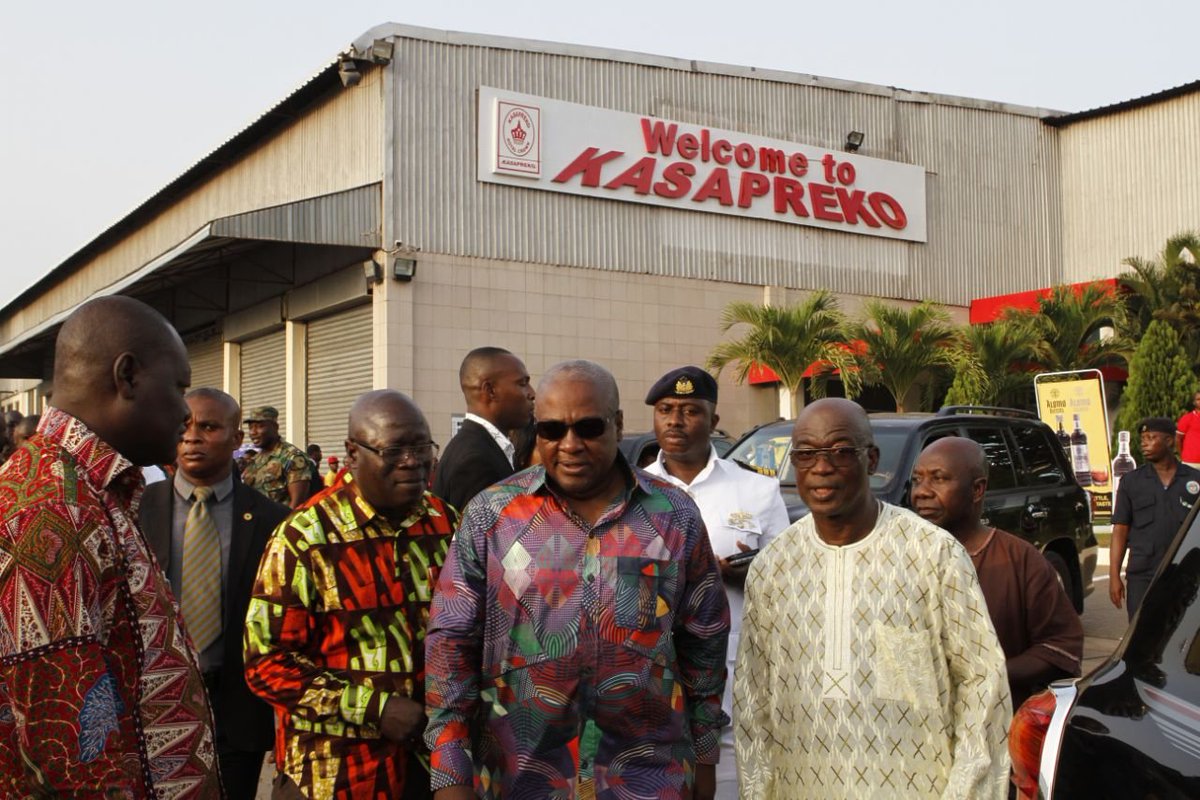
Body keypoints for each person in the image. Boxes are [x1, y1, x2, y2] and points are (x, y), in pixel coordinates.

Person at [425, 360, 730, 800]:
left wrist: (705, 758)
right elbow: (450, 643)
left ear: (618, 425)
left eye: (588, 427)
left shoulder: (674, 516)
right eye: (551, 430)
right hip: (520, 778)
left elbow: (705, 643)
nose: (569, 445)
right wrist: (450, 773)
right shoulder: (492, 517)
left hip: (647, 779)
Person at [734, 398, 1010, 799]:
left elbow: (982, 683)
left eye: (841, 451)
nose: (822, 468)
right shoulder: (773, 567)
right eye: (806, 454)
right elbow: (752, 701)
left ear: (871, 459)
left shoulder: (932, 554)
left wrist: (967, 792)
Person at [0, 296, 219, 796]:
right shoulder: (53, 510)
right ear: (128, 377)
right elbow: (66, 747)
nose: (186, 411)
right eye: (179, 386)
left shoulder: (91, 491)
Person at [245, 389, 456, 798]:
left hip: (431, 768)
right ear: (353, 452)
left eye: (421, 447)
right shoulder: (303, 538)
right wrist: (374, 709)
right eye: (393, 449)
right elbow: (265, 664)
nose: (412, 462)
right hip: (333, 773)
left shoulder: (445, 521)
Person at [641, 365, 788, 799]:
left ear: (714, 421)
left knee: (726, 784)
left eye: (690, 411)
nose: (675, 421)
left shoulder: (755, 489)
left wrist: (749, 573)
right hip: (648, 669)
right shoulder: (633, 489)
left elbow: (783, 577)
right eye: (666, 410)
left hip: (730, 672)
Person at [139, 388, 290, 799]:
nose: (192, 437)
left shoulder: (273, 521)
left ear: (237, 438)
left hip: (236, 711)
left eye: (208, 427)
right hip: (152, 704)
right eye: (185, 425)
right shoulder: (136, 508)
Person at [911, 436, 1083, 709]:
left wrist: (986, 675)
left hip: (996, 727)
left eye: (938, 479)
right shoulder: (901, 557)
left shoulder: (1020, 559)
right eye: (917, 480)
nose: (922, 491)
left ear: (977, 489)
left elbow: (1059, 648)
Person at [1111, 416, 1200, 618]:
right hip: (1143, 574)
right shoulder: (1131, 482)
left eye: (1151, 438)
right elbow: (1120, 531)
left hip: (1184, 573)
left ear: (1169, 441)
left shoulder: (1195, 481)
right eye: (1143, 438)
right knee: (1141, 634)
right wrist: (1114, 575)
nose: (1144, 443)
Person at [431, 347, 535, 511]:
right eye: (522, 384)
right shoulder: (474, 462)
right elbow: (483, 535)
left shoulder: (481, 446)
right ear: (490, 390)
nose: (532, 393)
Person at [241, 405, 314, 507]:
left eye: (259, 426)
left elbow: (297, 504)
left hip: (280, 522)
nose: (253, 432)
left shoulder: (292, 457)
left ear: (275, 427)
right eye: (250, 427)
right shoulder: (255, 460)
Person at [1176, 390, 1200, 467]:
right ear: (1194, 403)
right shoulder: (1187, 418)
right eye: (1198, 399)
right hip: (1190, 462)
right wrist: (1182, 456)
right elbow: (1178, 439)